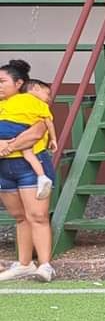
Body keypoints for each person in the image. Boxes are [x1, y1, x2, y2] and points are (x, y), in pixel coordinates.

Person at [0, 60, 57, 280]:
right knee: (20, 217)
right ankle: (24, 264)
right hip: (4, 168)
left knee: (38, 216)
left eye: (2, 81)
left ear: (18, 83)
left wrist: (8, 146)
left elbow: (37, 132)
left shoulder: (30, 103)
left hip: (30, 166)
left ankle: (45, 265)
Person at [19, 77, 58, 198]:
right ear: (36, 88)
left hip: (16, 148)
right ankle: (43, 179)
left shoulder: (14, 102)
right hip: (37, 148)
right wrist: (53, 139)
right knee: (48, 176)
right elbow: (49, 123)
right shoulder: (40, 105)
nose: (49, 98)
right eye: (47, 94)